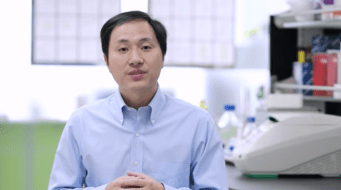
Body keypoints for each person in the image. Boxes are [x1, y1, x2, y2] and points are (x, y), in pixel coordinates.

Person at [48, 11, 228, 190]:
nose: (135, 59)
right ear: (107, 61)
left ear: (163, 56)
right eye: (123, 49)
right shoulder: (81, 122)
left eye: (146, 47)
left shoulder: (198, 123)